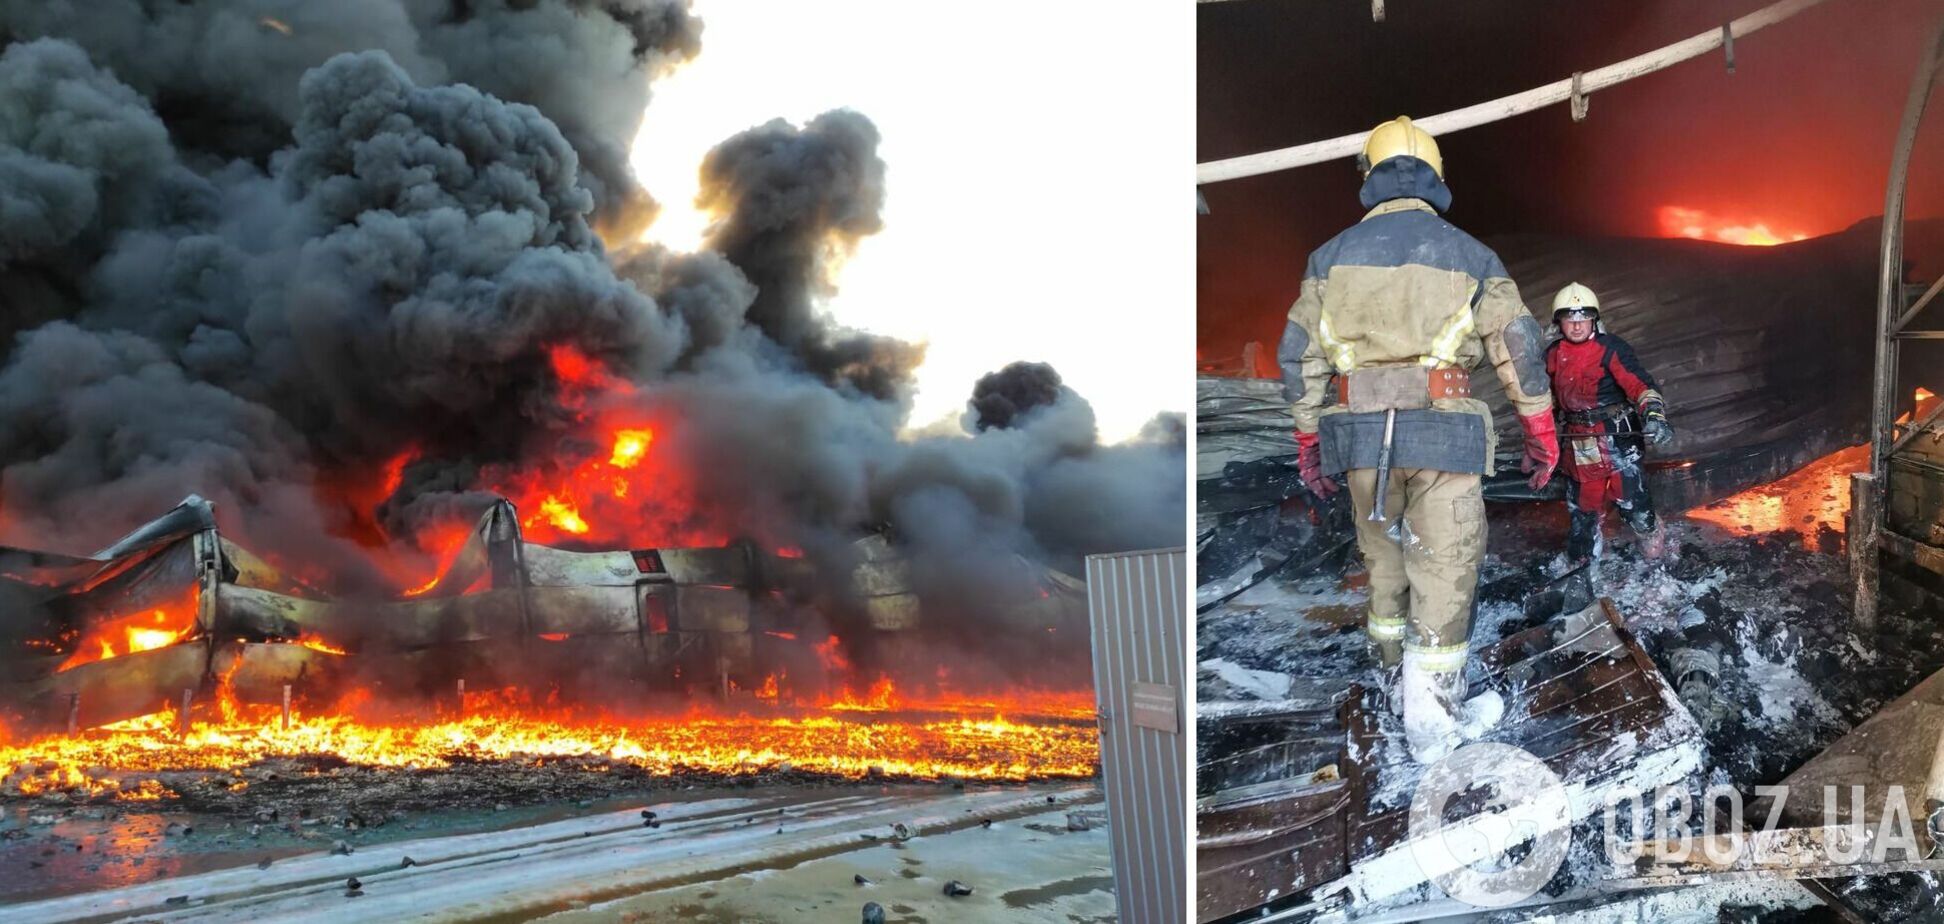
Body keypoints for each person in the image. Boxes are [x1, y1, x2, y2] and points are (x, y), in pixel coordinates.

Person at [1279, 116, 1558, 764]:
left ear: (1370, 177)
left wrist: (1307, 441)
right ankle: (1432, 727)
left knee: (1385, 570)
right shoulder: (1470, 255)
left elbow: (1298, 356)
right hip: (1443, 441)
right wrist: (1540, 431)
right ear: (1435, 178)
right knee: (1444, 572)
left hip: (1359, 443)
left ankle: (1389, 681)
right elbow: (1518, 345)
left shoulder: (1328, 258)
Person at [1543, 283, 1673, 564]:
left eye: (1583, 318)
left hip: (1617, 437)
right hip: (1579, 441)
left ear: (1594, 319)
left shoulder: (1611, 348)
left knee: (1632, 500)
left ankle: (1650, 530)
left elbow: (1638, 384)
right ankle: (1583, 563)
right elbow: (1545, 399)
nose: (1577, 326)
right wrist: (1541, 437)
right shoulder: (1553, 355)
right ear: (1559, 322)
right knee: (1584, 508)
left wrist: (1654, 415)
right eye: (1570, 319)